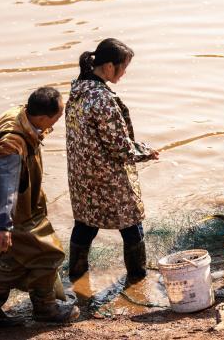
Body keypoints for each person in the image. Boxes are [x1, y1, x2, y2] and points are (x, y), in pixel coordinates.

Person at [0, 87, 79, 329]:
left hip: (19, 206)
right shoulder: (11, 143)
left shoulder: (20, 115)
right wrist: (3, 226)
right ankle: (44, 309)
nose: (57, 122)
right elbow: (3, 185)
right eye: (57, 117)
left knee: (18, 259)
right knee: (47, 253)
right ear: (43, 117)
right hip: (10, 212)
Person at [65, 38, 159, 284]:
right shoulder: (102, 99)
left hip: (81, 176)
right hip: (108, 178)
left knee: (85, 225)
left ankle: (76, 277)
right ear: (108, 67)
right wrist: (145, 152)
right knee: (132, 225)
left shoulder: (77, 90)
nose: (124, 73)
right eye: (123, 67)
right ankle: (138, 279)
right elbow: (119, 146)